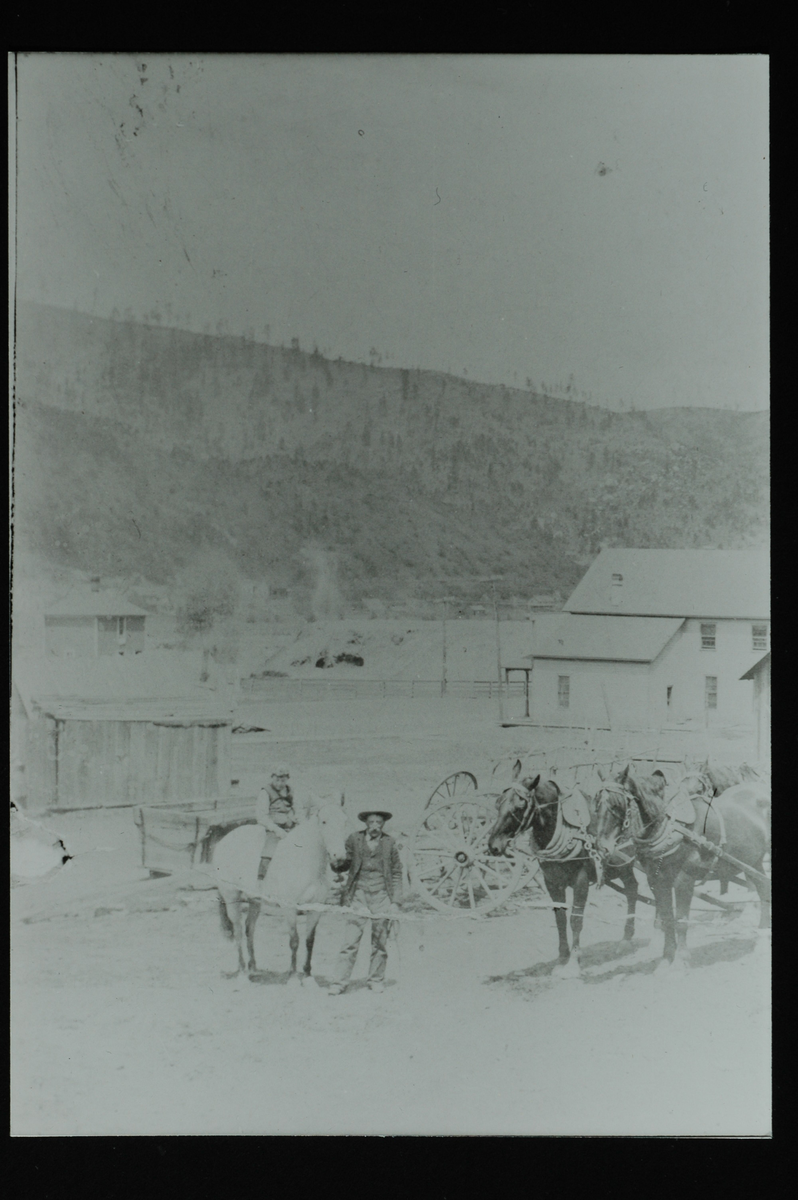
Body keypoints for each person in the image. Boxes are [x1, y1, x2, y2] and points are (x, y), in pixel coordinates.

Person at [328, 809, 403, 995]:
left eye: (379, 822)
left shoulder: (389, 843)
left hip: (382, 896)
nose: (375, 826)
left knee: (380, 943)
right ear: (366, 824)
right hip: (359, 895)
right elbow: (345, 864)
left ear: (383, 824)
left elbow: (396, 873)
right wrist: (336, 862)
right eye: (372, 822)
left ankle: (376, 980)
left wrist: (395, 902)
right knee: (350, 942)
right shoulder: (354, 839)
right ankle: (339, 982)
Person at [256, 765, 298, 881]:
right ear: (272, 778)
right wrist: (275, 829)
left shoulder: (291, 791)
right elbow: (262, 816)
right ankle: (261, 879)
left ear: (287, 780)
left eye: (283, 780)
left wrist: (298, 820)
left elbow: (298, 809)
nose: (279, 783)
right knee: (269, 852)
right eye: (277, 780)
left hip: (290, 827)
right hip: (273, 829)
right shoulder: (265, 792)